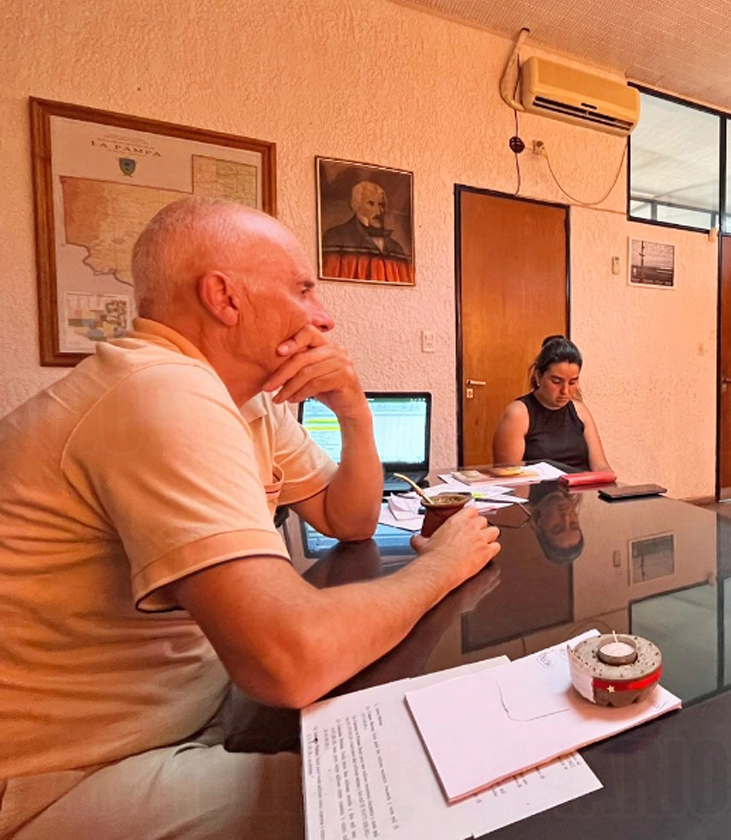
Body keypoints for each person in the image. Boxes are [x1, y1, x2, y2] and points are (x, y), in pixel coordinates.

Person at [0, 197, 499, 839]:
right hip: (64, 776)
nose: (324, 315)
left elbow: (347, 519)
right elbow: (290, 661)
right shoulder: (159, 391)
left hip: (195, 709)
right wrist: (444, 567)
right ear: (224, 298)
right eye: (302, 289)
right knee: (406, 802)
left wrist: (353, 413)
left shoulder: (244, 404)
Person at [492, 335, 611, 473]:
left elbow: (601, 466)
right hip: (537, 486)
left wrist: (608, 478)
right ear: (539, 376)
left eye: (572, 382)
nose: (565, 391)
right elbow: (509, 474)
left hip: (580, 485)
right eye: (556, 381)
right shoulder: (519, 414)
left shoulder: (580, 411)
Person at [320, 180, 413, 283]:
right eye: (371, 204)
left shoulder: (395, 247)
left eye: (381, 205)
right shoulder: (336, 237)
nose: (378, 211)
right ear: (354, 205)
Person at [529, 482, 585, 565]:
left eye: (557, 527)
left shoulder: (520, 490)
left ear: (539, 525)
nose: (566, 517)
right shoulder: (577, 480)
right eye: (573, 524)